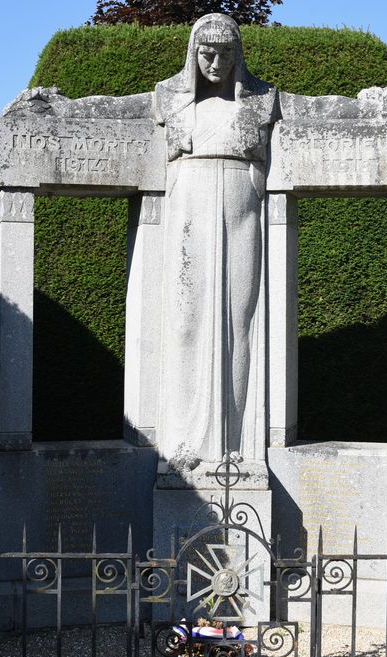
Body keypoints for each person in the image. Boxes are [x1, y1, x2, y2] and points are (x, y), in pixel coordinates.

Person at [153, 14, 279, 471]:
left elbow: (319, 113)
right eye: (207, 53)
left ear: (238, 55)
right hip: (188, 212)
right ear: (192, 52)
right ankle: (185, 441)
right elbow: (118, 109)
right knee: (185, 324)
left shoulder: (262, 102)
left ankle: (234, 441)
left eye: (226, 54)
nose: (216, 62)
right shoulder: (170, 100)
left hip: (243, 213)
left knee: (238, 324)